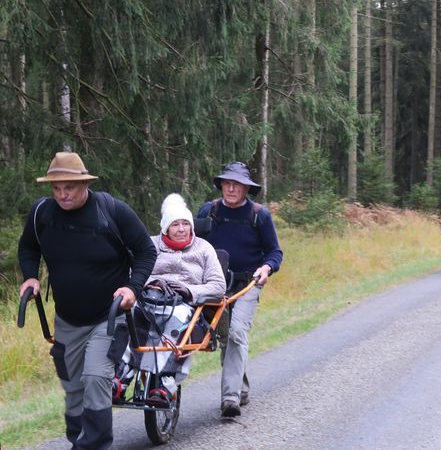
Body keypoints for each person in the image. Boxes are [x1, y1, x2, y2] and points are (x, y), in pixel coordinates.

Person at [18, 152, 157, 450]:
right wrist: (30, 276)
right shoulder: (42, 213)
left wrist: (132, 288)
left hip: (108, 316)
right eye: (56, 188)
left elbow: (146, 251)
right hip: (67, 319)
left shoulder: (111, 211)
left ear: (85, 184)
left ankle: (94, 446)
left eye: (68, 187)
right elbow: (28, 247)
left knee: (95, 378)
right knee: (73, 387)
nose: (62, 194)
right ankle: (79, 442)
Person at [115, 193, 227, 404]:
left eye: (186, 223)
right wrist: (152, 283)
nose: (182, 229)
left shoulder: (204, 248)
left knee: (177, 319)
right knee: (130, 317)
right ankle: (120, 380)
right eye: (175, 224)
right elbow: (133, 274)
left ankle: (164, 385)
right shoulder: (150, 245)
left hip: (184, 304)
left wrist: (188, 290)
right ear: (165, 227)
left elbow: (219, 286)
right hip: (149, 298)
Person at [197, 162, 283, 418]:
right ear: (221, 184)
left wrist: (266, 269)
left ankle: (230, 398)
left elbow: (275, 252)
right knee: (225, 338)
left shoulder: (259, 215)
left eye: (236, 184)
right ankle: (241, 389)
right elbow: (193, 244)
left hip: (247, 285)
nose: (231, 188)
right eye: (227, 183)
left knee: (236, 333)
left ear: (246, 188)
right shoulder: (208, 211)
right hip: (215, 285)